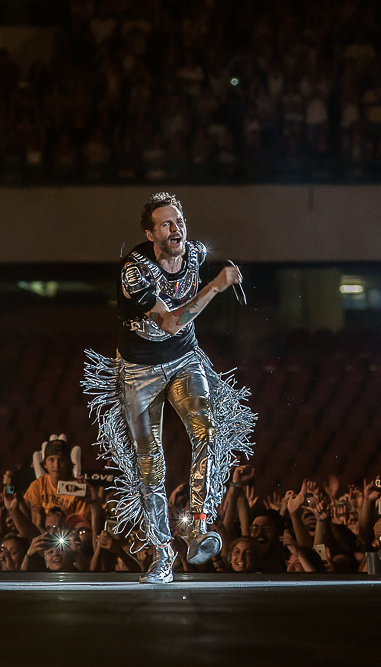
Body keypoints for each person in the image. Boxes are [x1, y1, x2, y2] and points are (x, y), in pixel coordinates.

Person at [84, 191, 256, 584]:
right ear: (151, 232)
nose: (176, 228)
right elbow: (170, 322)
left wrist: (213, 281)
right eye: (166, 224)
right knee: (149, 463)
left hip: (183, 359)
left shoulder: (193, 254)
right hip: (139, 370)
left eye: (179, 221)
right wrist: (215, 287)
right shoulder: (135, 269)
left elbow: (181, 331)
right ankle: (162, 553)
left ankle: (198, 525)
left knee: (207, 429)